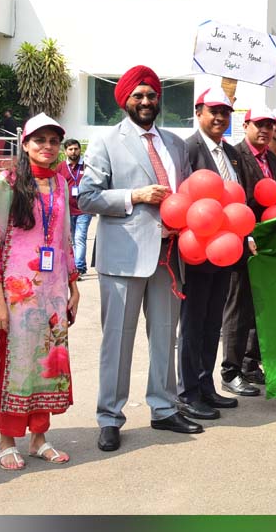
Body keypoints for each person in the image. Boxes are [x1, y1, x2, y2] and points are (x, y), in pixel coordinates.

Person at [79, 65, 198, 452]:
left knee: (166, 337)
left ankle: (164, 409)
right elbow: (86, 197)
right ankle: (110, 417)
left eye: (151, 96)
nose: (146, 102)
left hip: (169, 255)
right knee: (118, 341)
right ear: (125, 100)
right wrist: (134, 195)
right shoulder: (106, 141)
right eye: (138, 96)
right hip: (124, 258)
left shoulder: (176, 144)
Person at [0, 113, 80, 470]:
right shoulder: (6, 183)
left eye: (53, 141)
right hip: (16, 292)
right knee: (13, 363)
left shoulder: (60, 183)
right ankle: (6, 440)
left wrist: (73, 284)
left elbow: (66, 238)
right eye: (39, 140)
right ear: (24, 144)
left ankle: (39, 437)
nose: (47, 147)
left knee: (49, 362)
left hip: (54, 289)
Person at [178, 88, 244, 418]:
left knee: (212, 323)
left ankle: (206, 386)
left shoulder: (231, 154)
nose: (219, 117)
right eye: (213, 111)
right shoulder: (186, 149)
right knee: (193, 325)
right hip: (196, 251)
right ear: (198, 112)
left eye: (225, 112)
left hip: (225, 253)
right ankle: (188, 392)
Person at [225, 104, 276, 395]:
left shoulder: (272, 158)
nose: (264, 130)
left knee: (259, 304)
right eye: (258, 124)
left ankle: (249, 364)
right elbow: (236, 199)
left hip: (266, 240)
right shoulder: (234, 155)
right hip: (240, 239)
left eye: (269, 125)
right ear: (245, 125)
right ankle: (230, 369)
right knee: (238, 306)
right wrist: (245, 233)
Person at [58, 138, 91, 276]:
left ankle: (79, 268)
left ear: (80, 149)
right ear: (65, 151)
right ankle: (72, 266)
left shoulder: (87, 166)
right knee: (70, 238)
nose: (74, 151)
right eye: (70, 149)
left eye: (76, 149)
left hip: (85, 208)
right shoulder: (60, 167)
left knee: (80, 238)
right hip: (67, 209)